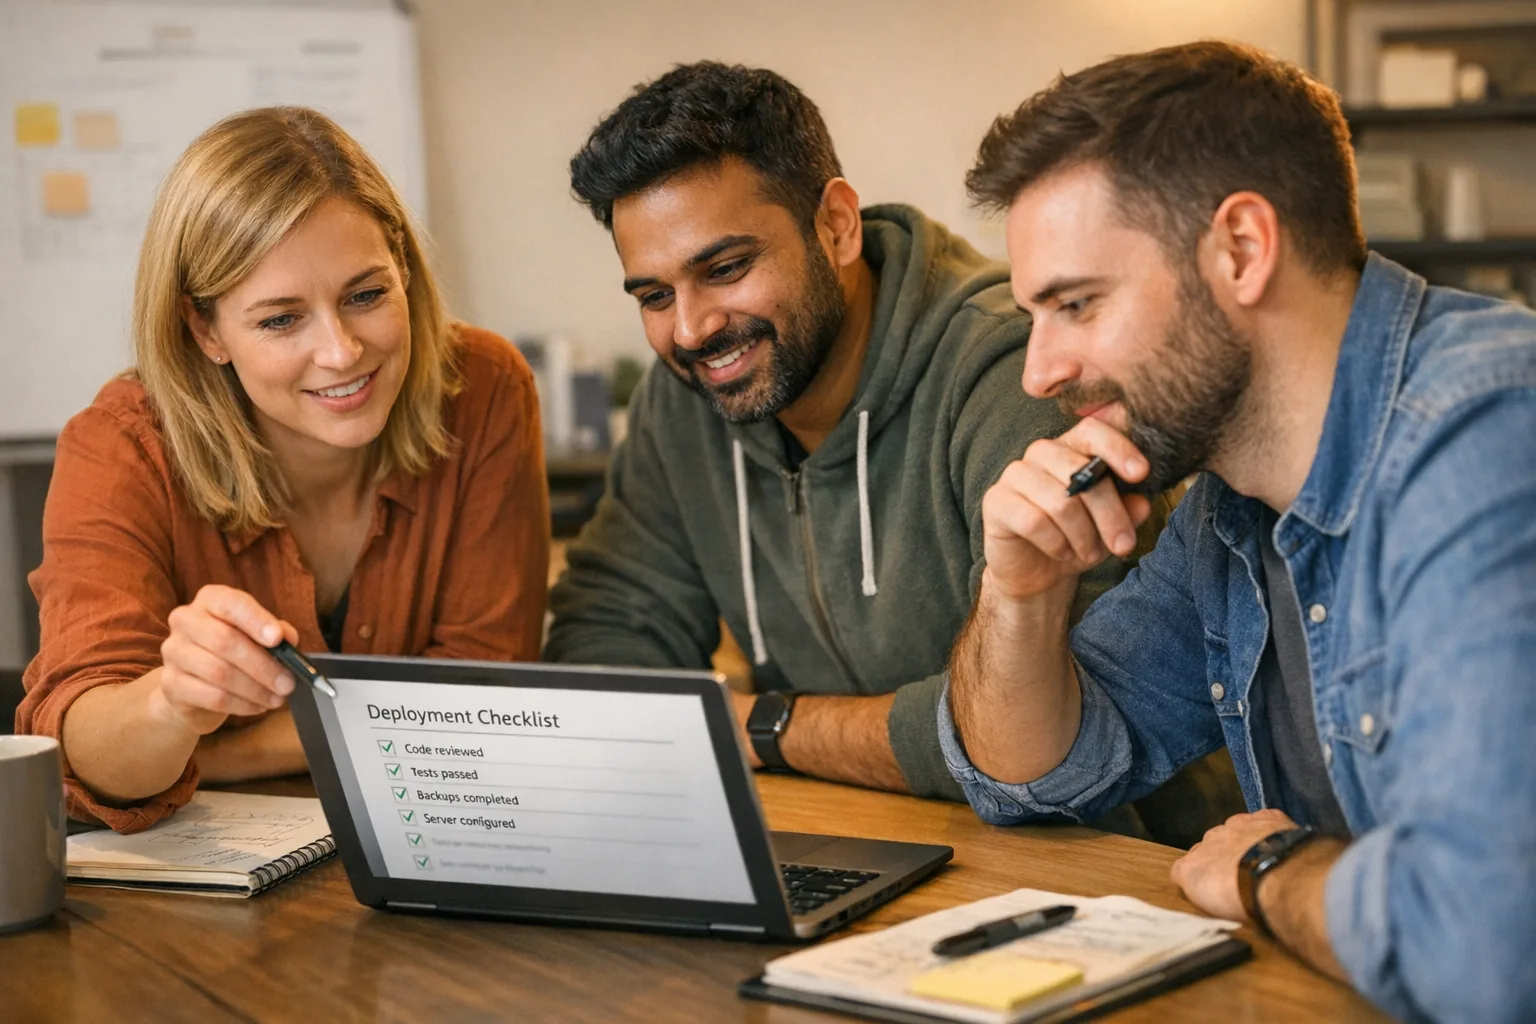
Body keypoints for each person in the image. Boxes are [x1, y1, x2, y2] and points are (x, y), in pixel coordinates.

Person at [942, 41, 1536, 1022]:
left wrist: (1268, 867)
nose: (1037, 373)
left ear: (1242, 251)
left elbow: (1486, 946)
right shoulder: (1228, 500)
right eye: (1031, 316)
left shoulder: (1484, 433)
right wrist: (1020, 595)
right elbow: (1032, 778)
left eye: (1077, 304)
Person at [548, 61, 1179, 809]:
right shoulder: (683, 400)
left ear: (836, 226)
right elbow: (607, 638)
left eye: (724, 268)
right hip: (846, 835)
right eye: (654, 296)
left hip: (1100, 871)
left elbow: (1054, 737)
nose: (690, 329)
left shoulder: (1018, 375)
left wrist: (762, 727)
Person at [16, 107, 550, 833]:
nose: (341, 352)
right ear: (204, 329)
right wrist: (174, 704)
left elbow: (484, 693)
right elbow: (81, 749)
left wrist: (219, 753)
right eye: (280, 320)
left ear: (401, 264)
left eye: (366, 295)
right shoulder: (119, 446)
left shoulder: (483, 387)